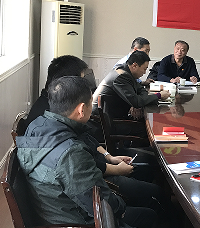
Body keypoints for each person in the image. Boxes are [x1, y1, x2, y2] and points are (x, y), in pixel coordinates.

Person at [16, 76, 179, 228]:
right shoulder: (70, 153)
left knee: (148, 216)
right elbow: (103, 205)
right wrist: (122, 205)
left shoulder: (39, 125)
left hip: (61, 227)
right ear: (81, 109)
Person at [26, 55, 162, 211]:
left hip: (92, 175)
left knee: (146, 179)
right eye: (82, 79)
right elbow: (77, 169)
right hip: (85, 196)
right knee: (153, 197)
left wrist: (108, 157)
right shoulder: (50, 119)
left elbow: (86, 140)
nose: (86, 83)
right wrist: (113, 170)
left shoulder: (54, 113)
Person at [93, 50, 170, 123]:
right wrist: (158, 95)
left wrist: (138, 102)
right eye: (144, 69)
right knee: (146, 126)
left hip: (114, 115)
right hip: (103, 121)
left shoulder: (126, 71)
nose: (144, 72)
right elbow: (136, 101)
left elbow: (140, 90)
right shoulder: (122, 76)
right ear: (134, 65)